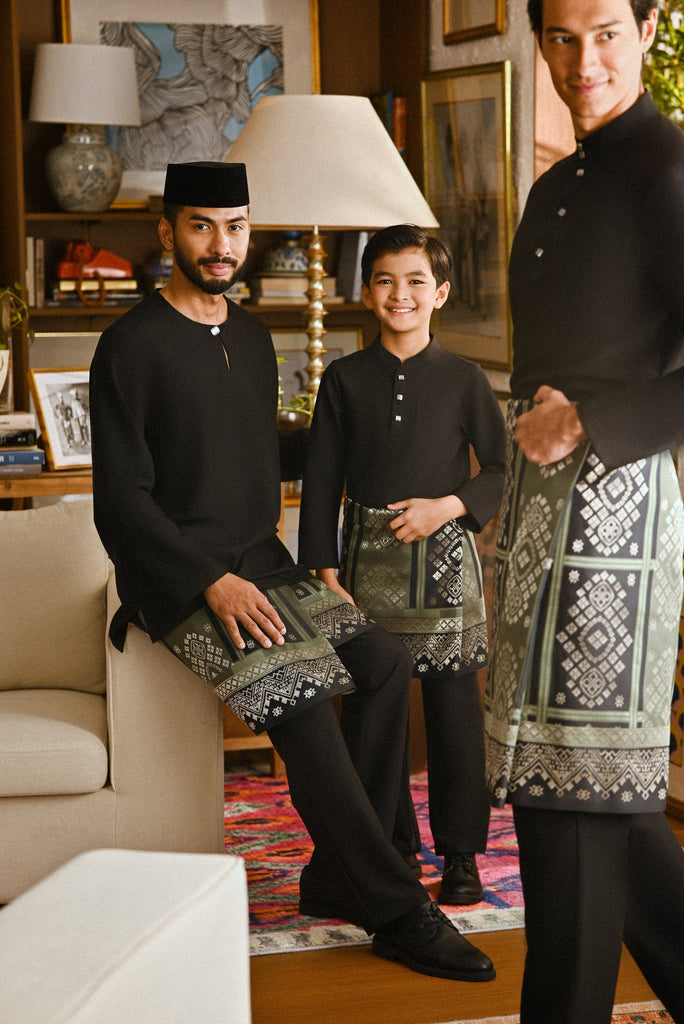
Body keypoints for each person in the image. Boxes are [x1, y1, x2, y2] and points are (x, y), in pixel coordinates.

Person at [89, 160, 496, 983]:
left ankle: (342, 872)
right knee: (304, 692)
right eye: (202, 225)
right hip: (184, 585)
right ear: (168, 232)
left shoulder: (251, 337)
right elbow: (119, 504)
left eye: (236, 227)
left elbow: (255, 454)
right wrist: (209, 582)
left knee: (380, 662)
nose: (221, 243)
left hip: (265, 565)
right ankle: (397, 910)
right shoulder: (128, 346)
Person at [485, 1, 684, 1021]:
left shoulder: (670, 171)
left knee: (570, 796)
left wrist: (590, 420)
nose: (583, 60)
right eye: (561, 36)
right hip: (538, 522)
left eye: (605, 31)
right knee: (596, 801)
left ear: (648, 30)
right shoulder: (554, 184)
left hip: (618, 526)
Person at [298, 224, 506, 905]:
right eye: (385, 280)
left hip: (445, 563)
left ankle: (461, 855)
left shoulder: (465, 379)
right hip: (364, 568)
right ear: (366, 292)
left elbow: (501, 469)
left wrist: (446, 507)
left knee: (453, 715)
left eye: (416, 281)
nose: (400, 294)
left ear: (439, 293)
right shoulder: (343, 378)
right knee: (373, 709)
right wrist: (324, 569)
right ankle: (390, 847)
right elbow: (322, 479)